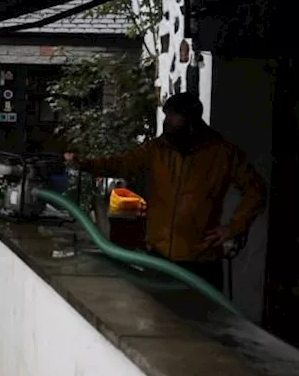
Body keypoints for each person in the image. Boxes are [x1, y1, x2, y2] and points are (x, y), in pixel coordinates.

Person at [64, 92, 267, 291]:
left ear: (192, 122)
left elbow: (255, 191)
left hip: (201, 260)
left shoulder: (223, 153)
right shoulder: (157, 149)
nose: (167, 123)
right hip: (158, 256)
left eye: (173, 118)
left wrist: (232, 229)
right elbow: (122, 164)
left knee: (202, 322)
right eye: (166, 116)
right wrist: (86, 164)